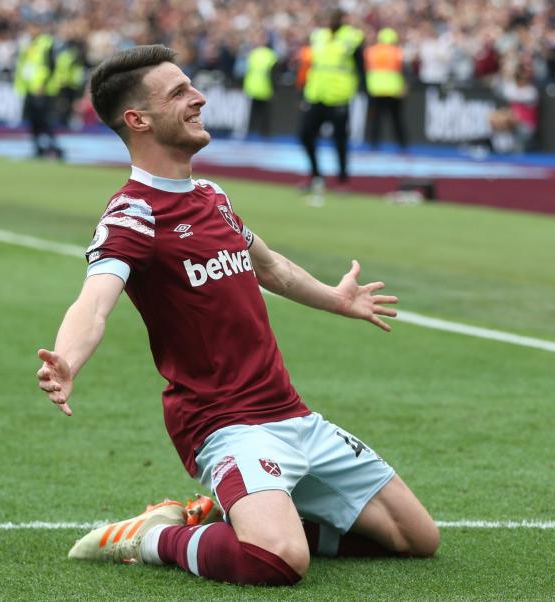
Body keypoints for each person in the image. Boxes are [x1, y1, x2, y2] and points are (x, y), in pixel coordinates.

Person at [37, 44, 439, 587]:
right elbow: (95, 301)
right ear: (138, 120)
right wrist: (67, 359)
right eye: (179, 92)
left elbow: (270, 267)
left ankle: (234, 514)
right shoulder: (132, 213)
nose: (199, 97)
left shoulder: (212, 196)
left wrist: (336, 298)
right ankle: (149, 535)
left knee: (416, 538)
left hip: (291, 413)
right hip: (225, 424)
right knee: (277, 561)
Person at [299, 9, 366, 196]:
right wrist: (303, 93)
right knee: (305, 135)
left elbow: (361, 67)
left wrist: (363, 90)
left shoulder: (352, 38)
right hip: (316, 94)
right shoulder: (318, 36)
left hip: (339, 96)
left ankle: (343, 180)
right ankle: (315, 175)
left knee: (340, 140)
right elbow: (312, 66)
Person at [14, 20, 63, 159]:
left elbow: (51, 66)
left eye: (33, 27)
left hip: (43, 89)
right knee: (33, 120)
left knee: (45, 120)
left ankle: (53, 146)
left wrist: (44, 84)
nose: (30, 31)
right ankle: (37, 146)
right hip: (30, 88)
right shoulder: (28, 44)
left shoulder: (47, 43)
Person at [364, 27, 408, 150]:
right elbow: (406, 71)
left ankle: (373, 145)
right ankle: (402, 145)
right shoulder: (398, 52)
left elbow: (364, 70)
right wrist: (404, 87)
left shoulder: (370, 51)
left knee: (375, 120)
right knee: (397, 120)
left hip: (375, 90)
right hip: (393, 91)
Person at [242, 30, 279, 138]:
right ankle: (264, 134)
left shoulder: (252, 53)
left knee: (253, 114)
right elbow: (274, 74)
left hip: (253, 88)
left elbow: (246, 71)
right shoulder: (271, 55)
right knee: (264, 115)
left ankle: (251, 133)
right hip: (265, 88)